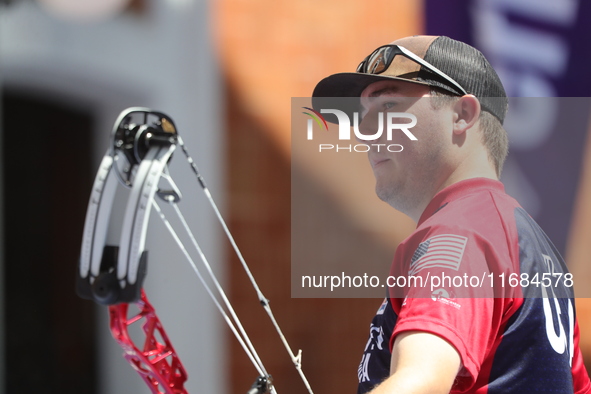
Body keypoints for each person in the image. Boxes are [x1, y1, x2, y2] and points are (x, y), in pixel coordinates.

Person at [311, 35, 591, 393]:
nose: (365, 131)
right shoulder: (534, 248)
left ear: (462, 115)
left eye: (387, 107)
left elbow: (420, 382)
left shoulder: (459, 231)